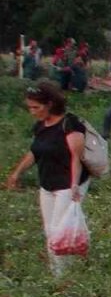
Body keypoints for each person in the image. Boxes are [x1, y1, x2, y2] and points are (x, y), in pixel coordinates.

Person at [5, 82, 90, 277]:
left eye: (36, 107)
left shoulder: (70, 124)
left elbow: (76, 156)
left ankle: (62, 276)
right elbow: (35, 152)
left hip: (69, 185)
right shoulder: (41, 126)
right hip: (47, 184)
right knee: (50, 230)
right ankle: (63, 269)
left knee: (59, 229)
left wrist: (75, 184)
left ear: (50, 104)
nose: (32, 112)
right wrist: (17, 173)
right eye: (30, 107)